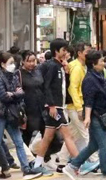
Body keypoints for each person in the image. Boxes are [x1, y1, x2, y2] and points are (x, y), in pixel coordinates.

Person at [0, 52, 42, 180]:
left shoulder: (14, 76)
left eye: (14, 63)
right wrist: (15, 94)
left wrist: (12, 94)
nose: (13, 65)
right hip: (0, 114)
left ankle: (26, 169)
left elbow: (20, 93)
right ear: (3, 64)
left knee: (19, 142)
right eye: (10, 63)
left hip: (12, 115)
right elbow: (4, 96)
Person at [31, 39, 80, 177]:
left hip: (59, 106)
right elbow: (46, 86)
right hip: (56, 108)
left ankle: (37, 164)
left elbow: (63, 87)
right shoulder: (52, 66)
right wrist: (51, 105)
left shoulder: (60, 66)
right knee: (68, 135)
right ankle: (78, 163)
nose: (66, 53)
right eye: (63, 50)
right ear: (56, 51)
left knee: (47, 137)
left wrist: (67, 72)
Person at [66, 50, 106, 179]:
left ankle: (73, 166)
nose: (104, 63)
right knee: (104, 144)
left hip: (102, 115)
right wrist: (87, 117)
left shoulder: (99, 76)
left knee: (93, 145)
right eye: (101, 61)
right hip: (95, 116)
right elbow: (89, 100)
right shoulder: (89, 79)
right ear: (93, 64)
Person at [67, 43, 91, 153]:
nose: (89, 54)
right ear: (79, 53)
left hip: (76, 105)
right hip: (76, 106)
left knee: (73, 135)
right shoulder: (77, 67)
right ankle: (95, 160)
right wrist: (79, 108)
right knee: (86, 133)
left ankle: (62, 159)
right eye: (87, 52)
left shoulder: (82, 66)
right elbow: (73, 88)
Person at [20, 51, 46, 149]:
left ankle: (43, 158)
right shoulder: (19, 74)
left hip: (41, 108)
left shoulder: (38, 71)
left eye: (33, 61)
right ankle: (25, 158)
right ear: (23, 61)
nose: (31, 63)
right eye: (28, 61)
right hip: (28, 109)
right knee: (27, 135)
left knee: (47, 134)